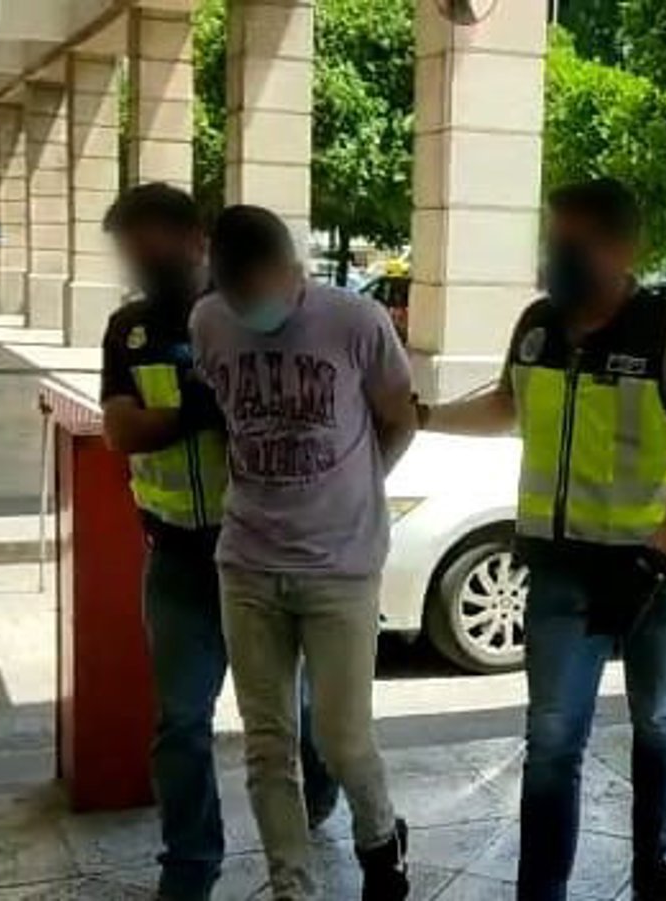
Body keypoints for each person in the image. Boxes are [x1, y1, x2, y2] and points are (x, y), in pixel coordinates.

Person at [417, 179, 666, 901]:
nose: (554, 256)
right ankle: (541, 890)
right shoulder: (538, 325)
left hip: (660, 566)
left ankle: (652, 863)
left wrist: (654, 561)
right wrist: (422, 414)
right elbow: (507, 406)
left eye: (571, 245)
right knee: (552, 737)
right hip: (561, 567)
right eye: (551, 241)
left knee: (657, 717)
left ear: (620, 251)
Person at [98, 184, 337, 901]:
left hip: (260, 553)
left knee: (294, 714)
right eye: (134, 254)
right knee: (181, 722)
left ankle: (319, 793)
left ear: (197, 242)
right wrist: (193, 411)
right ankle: (190, 864)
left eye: (155, 251)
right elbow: (120, 431)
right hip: (176, 557)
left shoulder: (252, 317)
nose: (144, 266)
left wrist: (182, 414)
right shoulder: (129, 330)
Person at [190, 205, 416, 901]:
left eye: (266, 293)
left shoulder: (356, 321)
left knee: (342, 739)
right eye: (241, 297)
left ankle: (381, 839)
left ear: (296, 272)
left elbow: (400, 416)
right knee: (266, 745)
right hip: (248, 561)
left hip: (340, 566)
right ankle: (293, 885)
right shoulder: (208, 323)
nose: (256, 310)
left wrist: (358, 487)